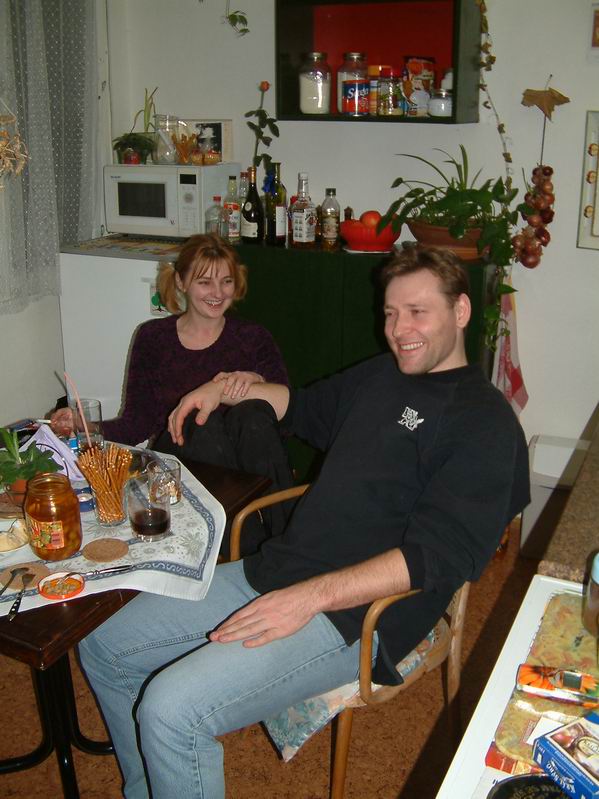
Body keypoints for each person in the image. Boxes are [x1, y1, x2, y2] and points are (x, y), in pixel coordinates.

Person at [79, 246, 530, 799]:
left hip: (353, 613)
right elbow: (299, 406)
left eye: (417, 312)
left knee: (172, 710)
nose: (398, 329)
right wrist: (222, 387)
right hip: (282, 567)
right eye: (390, 313)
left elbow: (438, 556)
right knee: (103, 644)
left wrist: (308, 598)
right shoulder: (381, 374)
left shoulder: (483, 422)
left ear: (460, 310)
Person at [52, 234, 294, 551]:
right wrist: (85, 426)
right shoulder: (154, 338)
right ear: (181, 282)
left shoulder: (253, 337)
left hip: (246, 456)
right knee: (203, 422)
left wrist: (254, 381)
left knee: (252, 415)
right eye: (204, 282)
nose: (217, 293)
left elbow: (285, 416)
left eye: (226, 281)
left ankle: (290, 541)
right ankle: (250, 548)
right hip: (179, 461)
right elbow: (137, 424)